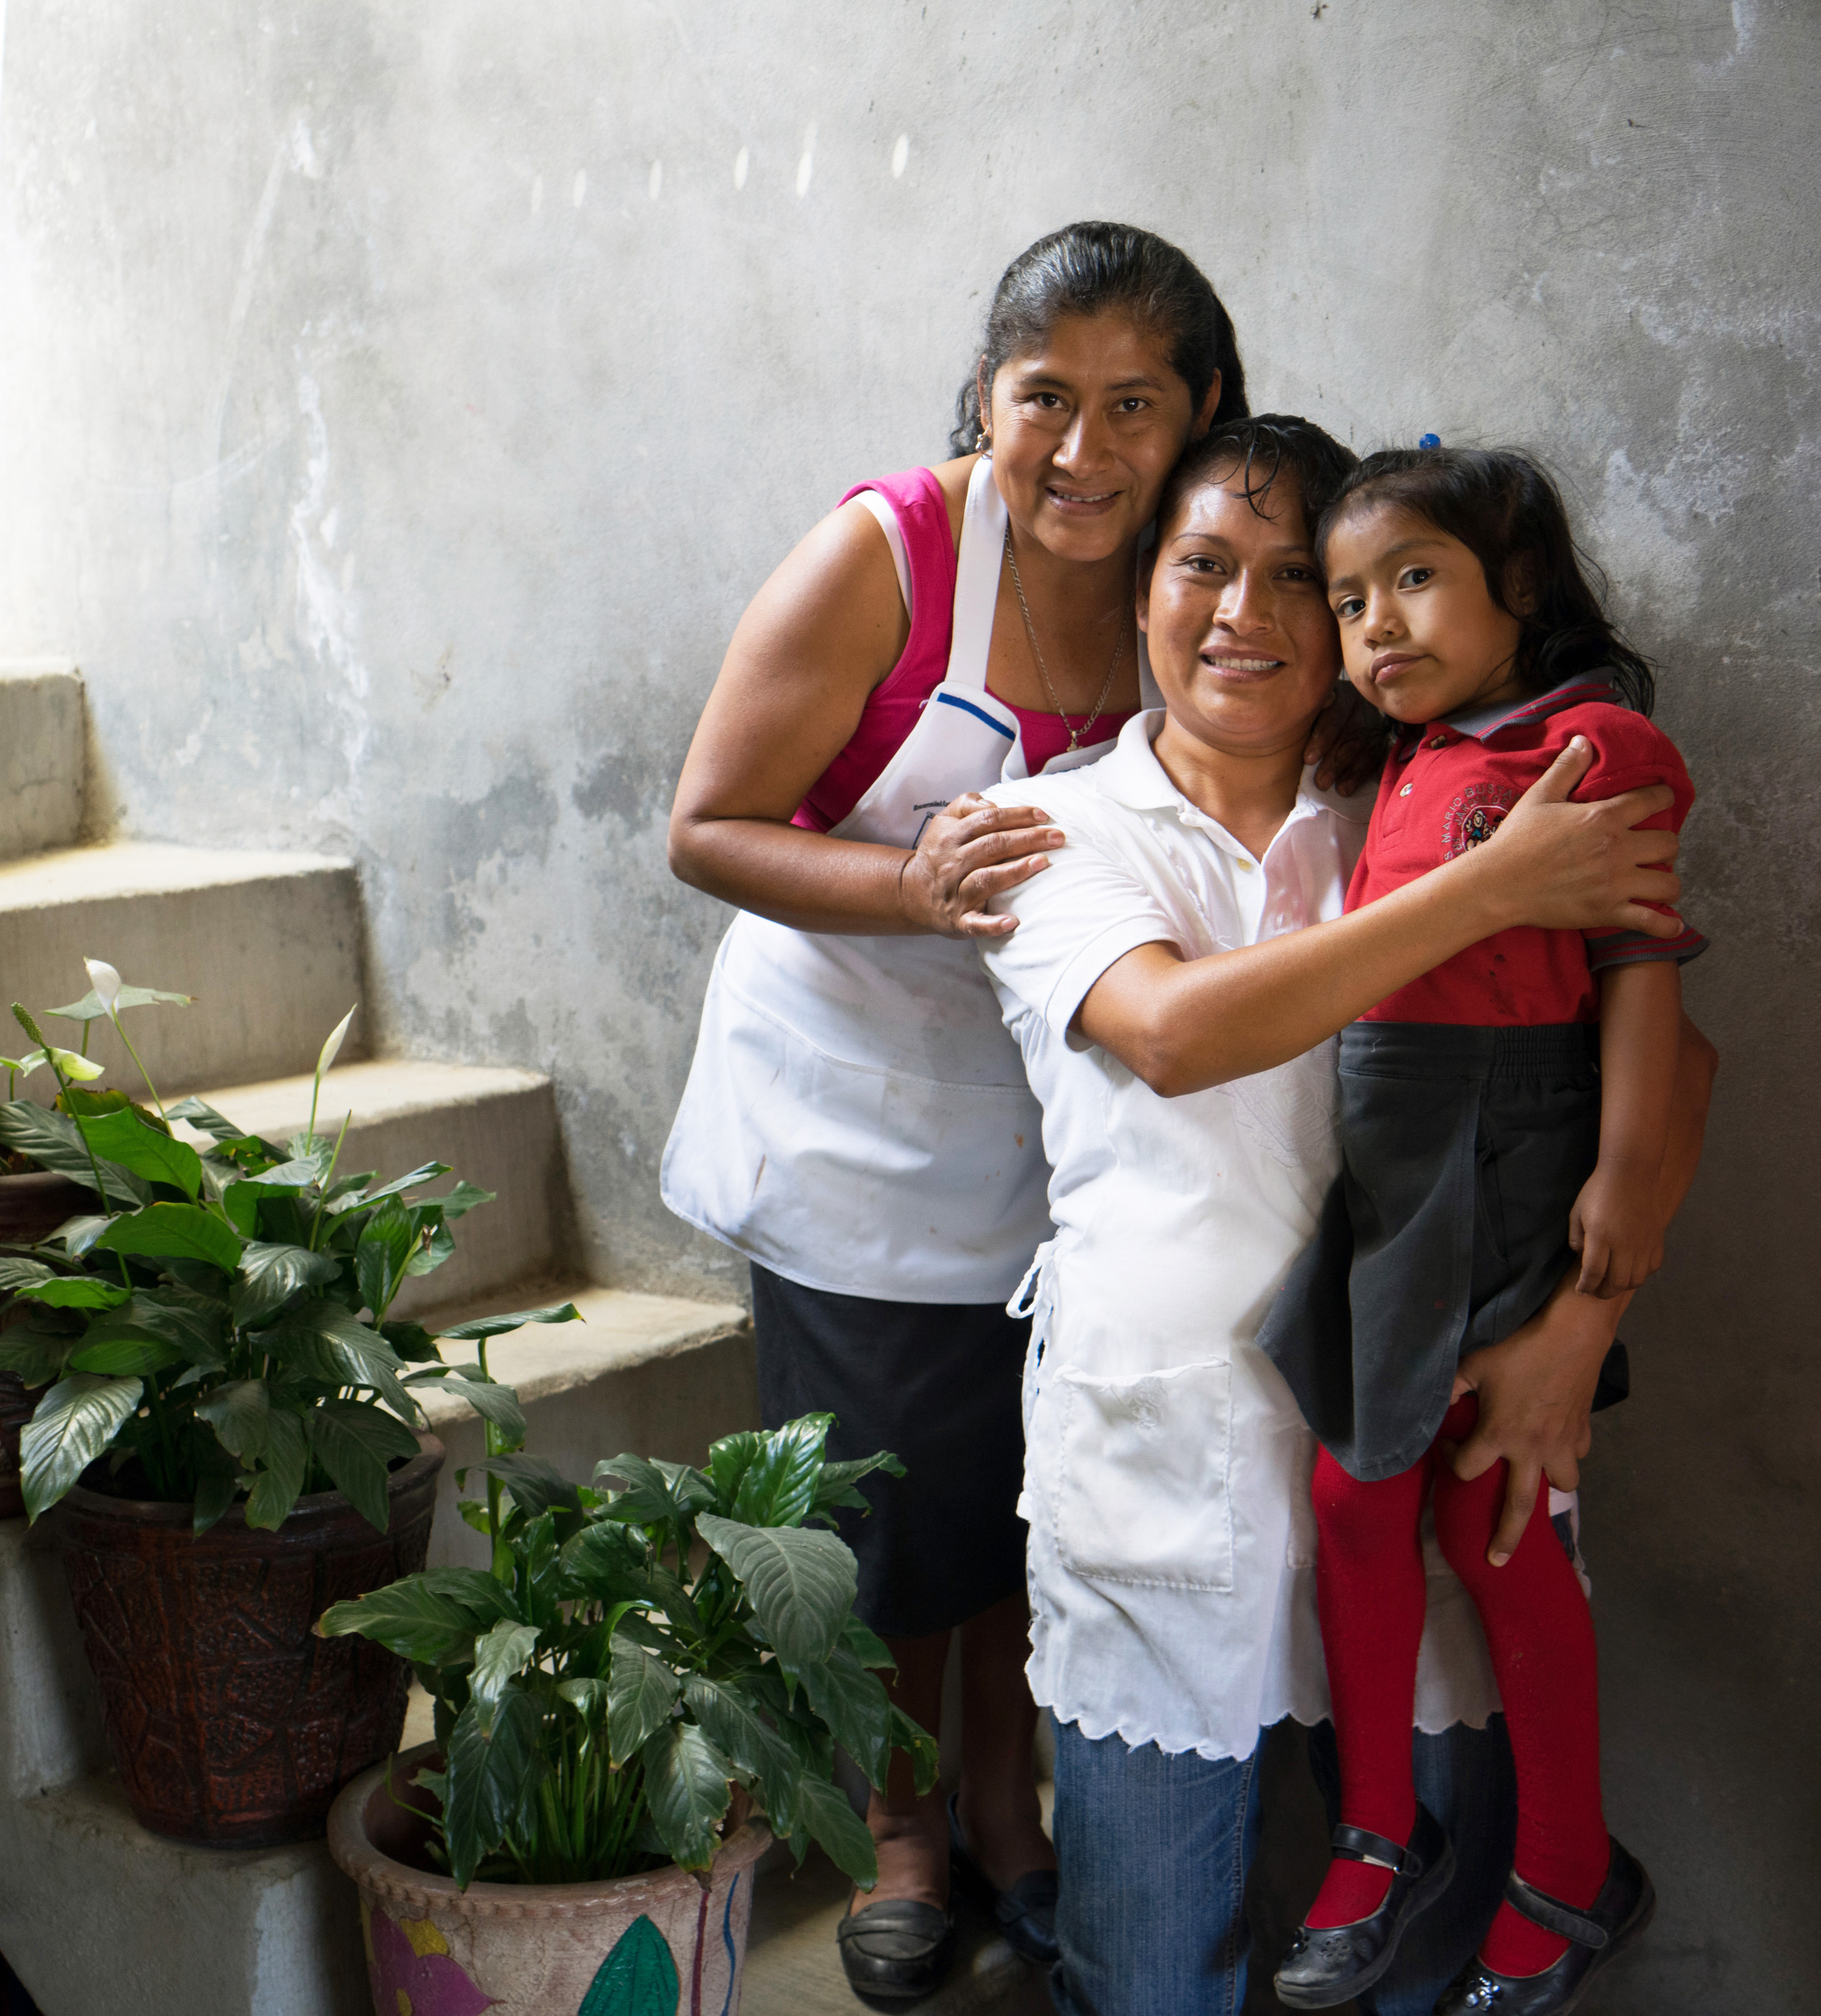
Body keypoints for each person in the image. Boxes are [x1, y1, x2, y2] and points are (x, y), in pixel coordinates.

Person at [971, 417, 1714, 2015]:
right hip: (1169, 1486)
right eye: (1203, 567)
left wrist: (1583, 1330)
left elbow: (1673, 1053)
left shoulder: (1440, 789)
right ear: (1144, 589)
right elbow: (1173, 1033)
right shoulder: (1052, 829)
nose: (1248, 613)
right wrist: (1498, 887)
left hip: (1449, 1420)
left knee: (1419, 1977)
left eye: (1301, 579)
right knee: (1154, 1979)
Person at [662, 221, 1255, 1997]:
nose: (1083, 453)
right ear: (985, 398)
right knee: (879, 1525)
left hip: (1059, 1119)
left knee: (1022, 1501)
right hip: (854, 1119)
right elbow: (707, 825)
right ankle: (898, 1829)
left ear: (1204, 407)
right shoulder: (891, 557)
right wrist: (908, 887)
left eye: (1135, 405)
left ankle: (1017, 1815)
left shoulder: (1198, 565)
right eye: (1043, 401)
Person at [1264, 446, 1705, 2011]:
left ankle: (1568, 1868)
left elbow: (1647, 980)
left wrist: (1621, 1188)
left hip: (1510, 1165)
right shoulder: (1397, 767)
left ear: (1518, 591)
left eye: (1416, 580)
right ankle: (1377, 1829)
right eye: (1350, 598)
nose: (1376, 624)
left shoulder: (1587, 745)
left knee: (1490, 1517)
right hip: (1393, 1180)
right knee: (1360, 1495)